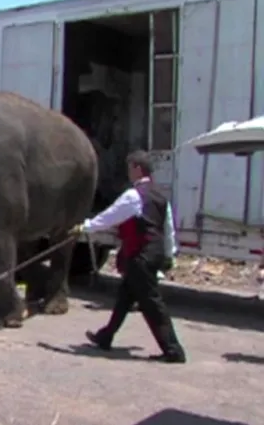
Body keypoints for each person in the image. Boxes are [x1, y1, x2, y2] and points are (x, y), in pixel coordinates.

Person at [71, 150, 186, 364]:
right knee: (124, 299)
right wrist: (169, 254)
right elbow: (168, 229)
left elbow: (110, 216)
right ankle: (106, 336)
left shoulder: (134, 196)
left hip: (141, 256)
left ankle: (173, 350)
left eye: (130, 168)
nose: (128, 173)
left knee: (153, 304)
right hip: (151, 254)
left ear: (137, 169)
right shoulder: (161, 197)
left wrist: (85, 226)